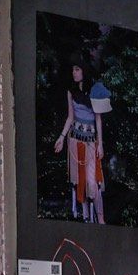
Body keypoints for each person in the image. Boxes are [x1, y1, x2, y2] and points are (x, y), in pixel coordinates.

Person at [52, 58, 105, 223]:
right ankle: (86, 218)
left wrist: (100, 144)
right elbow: (70, 117)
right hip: (75, 140)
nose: (74, 73)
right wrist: (61, 137)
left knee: (91, 182)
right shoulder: (71, 91)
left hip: (90, 142)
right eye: (73, 70)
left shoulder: (95, 91)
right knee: (79, 180)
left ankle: (101, 219)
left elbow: (98, 119)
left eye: (77, 69)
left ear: (84, 71)